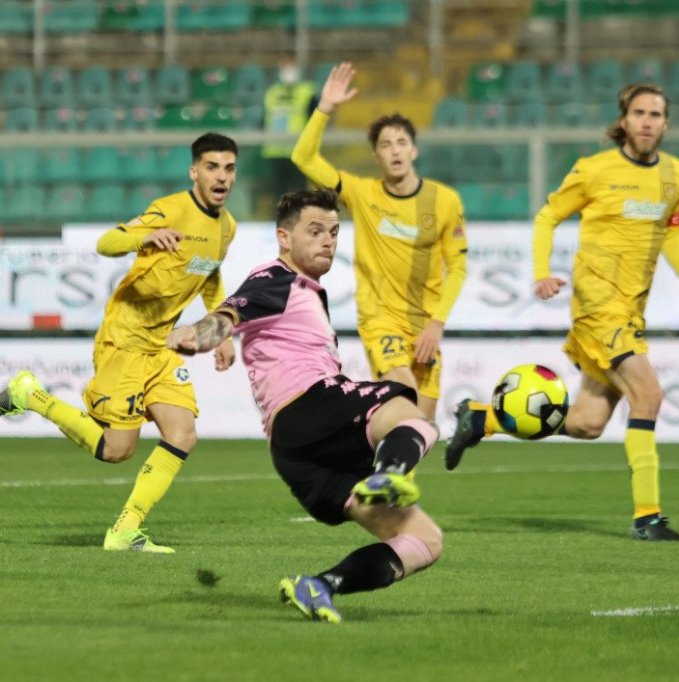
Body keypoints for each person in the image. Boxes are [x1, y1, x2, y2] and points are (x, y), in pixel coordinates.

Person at [444, 83, 679, 542]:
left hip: (631, 312)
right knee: (648, 396)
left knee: (588, 423)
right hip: (597, 308)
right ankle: (648, 518)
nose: (648, 121)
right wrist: (542, 271)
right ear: (623, 121)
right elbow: (548, 216)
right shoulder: (595, 170)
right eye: (640, 112)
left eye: (656, 114)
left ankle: (482, 419)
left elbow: (669, 230)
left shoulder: (677, 175)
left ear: (666, 124)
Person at [166, 189, 442, 624]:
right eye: (314, 231)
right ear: (284, 238)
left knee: (424, 540)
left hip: (298, 455)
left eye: (333, 232)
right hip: (310, 406)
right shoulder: (276, 277)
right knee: (410, 413)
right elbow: (227, 315)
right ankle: (388, 475)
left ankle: (320, 585)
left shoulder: (308, 291)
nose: (327, 241)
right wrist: (200, 335)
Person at [0, 133, 240, 552]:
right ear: (194, 171)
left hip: (163, 346)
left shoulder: (227, 227)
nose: (222, 176)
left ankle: (126, 530)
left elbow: (211, 274)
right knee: (116, 450)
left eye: (229, 168)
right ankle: (31, 395)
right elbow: (106, 242)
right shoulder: (171, 209)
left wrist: (220, 329)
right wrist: (145, 237)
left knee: (182, 434)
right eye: (212, 167)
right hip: (125, 338)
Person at [290, 61, 467, 421]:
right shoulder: (362, 194)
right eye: (386, 145)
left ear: (414, 150)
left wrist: (436, 324)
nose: (395, 150)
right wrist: (324, 109)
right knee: (407, 399)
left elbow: (459, 267)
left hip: (425, 325)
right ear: (377, 156)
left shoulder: (445, 201)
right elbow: (303, 157)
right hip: (380, 320)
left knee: (421, 432)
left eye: (402, 142)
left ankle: (373, 462)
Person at [262, 57, 317, 198]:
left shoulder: (307, 92)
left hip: (298, 151)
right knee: (278, 194)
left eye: (292, 67)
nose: (289, 71)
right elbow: (265, 119)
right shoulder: (272, 92)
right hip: (276, 151)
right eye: (286, 67)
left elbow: (315, 119)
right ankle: (280, 219)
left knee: (300, 193)